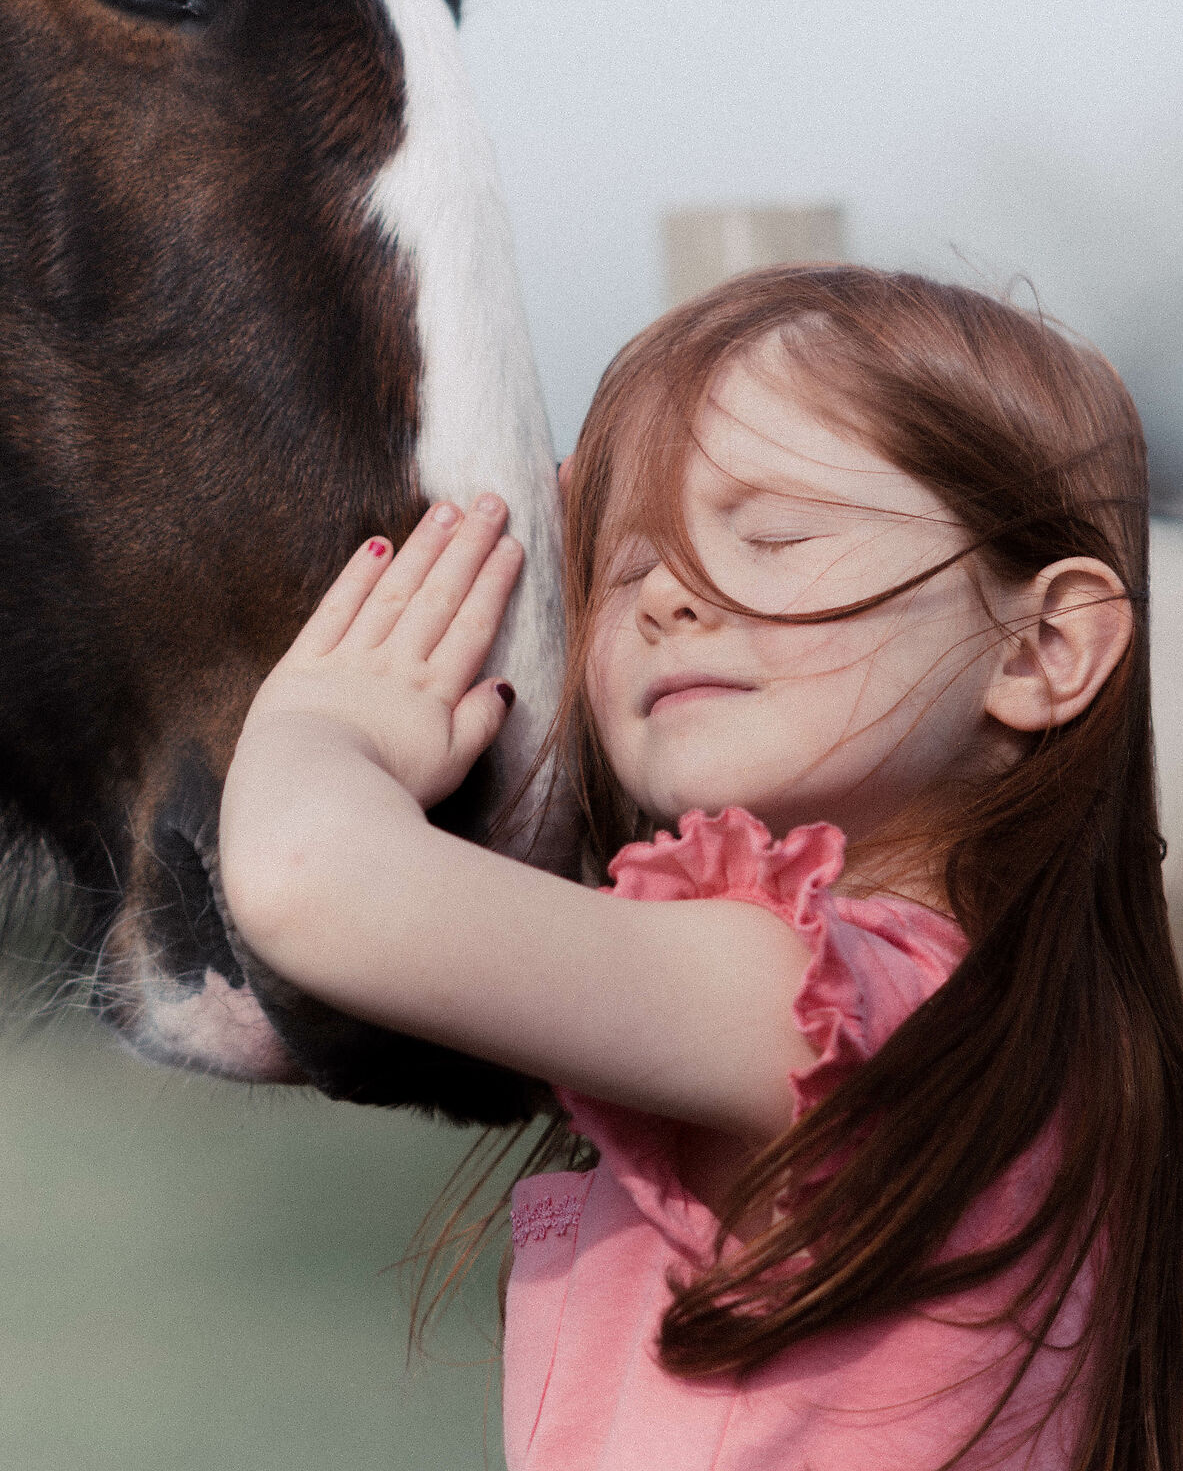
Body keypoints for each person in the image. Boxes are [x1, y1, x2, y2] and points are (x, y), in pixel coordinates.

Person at [219, 265, 1183, 1470]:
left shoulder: (832, 1005)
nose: (670, 596)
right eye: (619, 572)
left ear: (1044, 647)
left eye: (772, 536)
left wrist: (323, 727)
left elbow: (313, 881)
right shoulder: (1041, 1034)